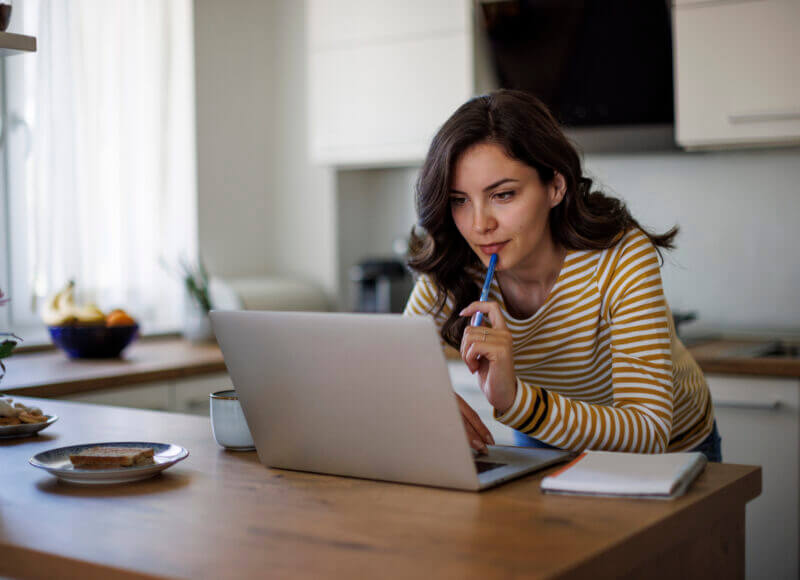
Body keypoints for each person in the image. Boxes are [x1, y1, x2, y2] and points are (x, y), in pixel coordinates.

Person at [403, 90, 720, 462]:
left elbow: (648, 429)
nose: (479, 225)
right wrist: (426, 399)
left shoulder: (621, 255)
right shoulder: (456, 263)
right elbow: (393, 368)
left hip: (670, 450)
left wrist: (516, 401)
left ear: (555, 186)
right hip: (546, 437)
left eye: (503, 195)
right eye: (459, 200)